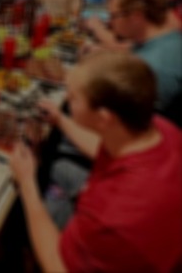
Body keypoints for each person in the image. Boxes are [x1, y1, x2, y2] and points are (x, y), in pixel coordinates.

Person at [10, 51, 182, 273]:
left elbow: (57, 265)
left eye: (73, 98)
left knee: (18, 218)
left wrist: (27, 183)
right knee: (60, 168)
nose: (66, 100)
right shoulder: (160, 128)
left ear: (104, 117)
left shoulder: (109, 216)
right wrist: (61, 120)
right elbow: (103, 147)